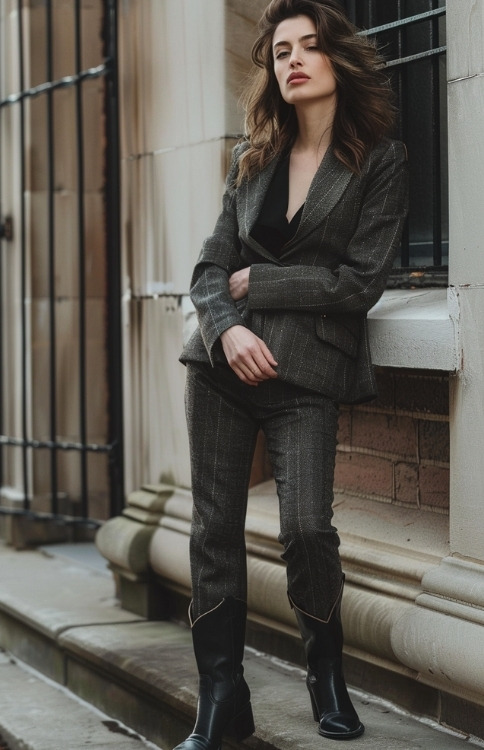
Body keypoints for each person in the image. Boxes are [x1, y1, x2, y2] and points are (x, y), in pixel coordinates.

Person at [176, 0, 409, 747]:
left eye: (310, 46)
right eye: (282, 52)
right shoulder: (253, 155)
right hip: (221, 369)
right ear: (272, 71)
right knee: (214, 530)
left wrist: (261, 287)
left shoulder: (380, 160)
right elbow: (211, 267)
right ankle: (221, 698)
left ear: (338, 58)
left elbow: (359, 281)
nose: (295, 60)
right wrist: (226, 326)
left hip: (306, 373)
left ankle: (325, 672)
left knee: (308, 528)